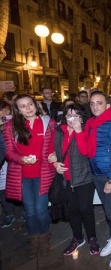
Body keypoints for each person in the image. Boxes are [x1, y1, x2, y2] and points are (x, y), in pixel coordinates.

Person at [75, 90, 111, 268]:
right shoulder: (91, 124)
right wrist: (79, 131)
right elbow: (86, 151)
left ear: (107, 105)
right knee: (107, 209)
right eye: (92, 103)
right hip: (96, 173)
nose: (95, 106)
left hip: (109, 175)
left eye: (99, 103)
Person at [4, 94, 56, 258]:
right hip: (22, 176)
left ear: (35, 104)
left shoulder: (48, 123)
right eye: (22, 106)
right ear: (17, 110)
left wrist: (54, 155)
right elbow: (8, 152)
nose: (28, 108)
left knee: (41, 210)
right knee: (30, 211)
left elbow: (53, 147)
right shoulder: (10, 127)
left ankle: (44, 237)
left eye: (30, 104)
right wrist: (21, 159)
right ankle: (34, 240)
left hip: (43, 174)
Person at [51, 104, 100, 256]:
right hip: (66, 178)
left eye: (76, 115)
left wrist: (78, 131)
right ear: (64, 117)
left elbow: (86, 151)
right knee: (72, 210)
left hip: (84, 178)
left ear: (81, 117)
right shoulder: (59, 131)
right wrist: (54, 163)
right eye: (69, 115)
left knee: (85, 209)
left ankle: (92, 237)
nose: (72, 119)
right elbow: (52, 151)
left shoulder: (87, 130)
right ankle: (77, 238)